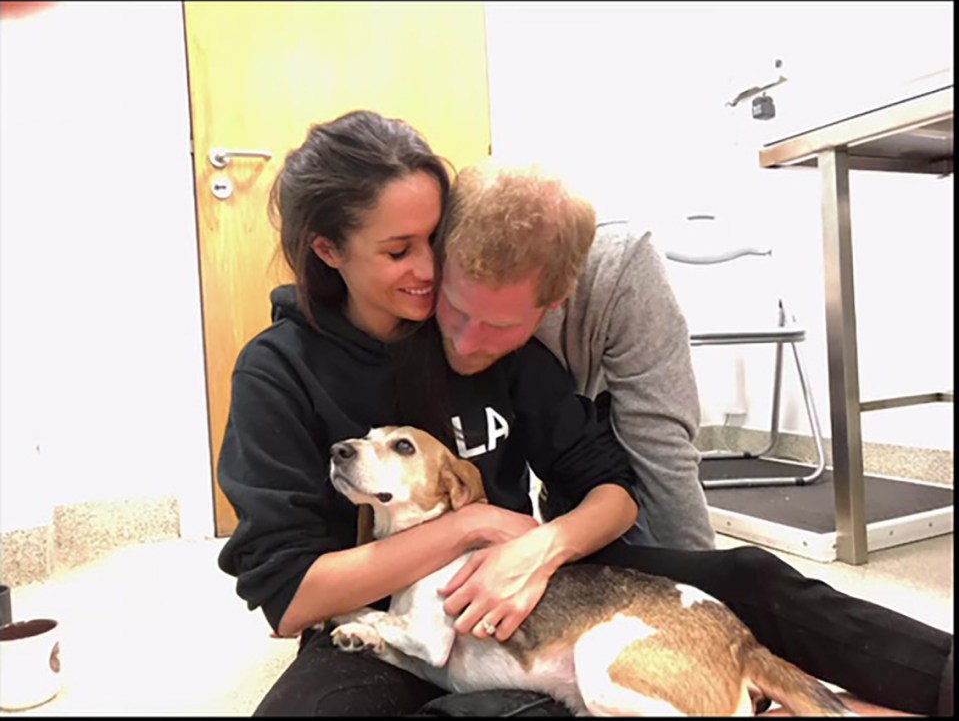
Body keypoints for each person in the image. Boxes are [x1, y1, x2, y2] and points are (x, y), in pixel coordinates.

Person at [216, 110, 953, 717]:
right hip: (384, 621)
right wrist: (471, 524)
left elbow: (613, 487)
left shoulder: (491, 345)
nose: (430, 272)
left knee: (752, 576)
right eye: (398, 250)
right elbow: (288, 597)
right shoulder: (277, 372)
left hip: (543, 593)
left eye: (433, 242)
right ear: (329, 250)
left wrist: (541, 548)